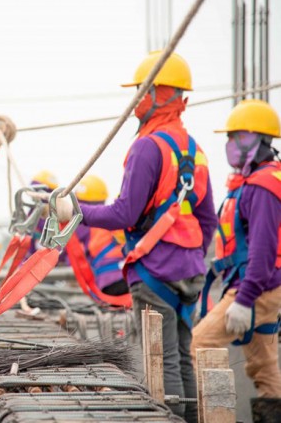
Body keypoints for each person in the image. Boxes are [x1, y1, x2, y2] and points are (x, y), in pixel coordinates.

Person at [55, 51, 217, 422]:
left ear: (159, 94)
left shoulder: (147, 147)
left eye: (140, 93)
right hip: (189, 273)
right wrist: (190, 257)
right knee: (183, 358)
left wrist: (75, 210)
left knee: (163, 363)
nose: (134, 103)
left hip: (154, 272)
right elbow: (206, 219)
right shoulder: (194, 151)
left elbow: (124, 214)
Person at [191, 99, 281, 420]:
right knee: (264, 365)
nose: (231, 145)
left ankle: (211, 416)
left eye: (238, 138)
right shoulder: (254, 183)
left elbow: (263, 252)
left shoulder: (263, 186)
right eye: (230, 139)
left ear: (261, 141)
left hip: (257, 287)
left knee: (200, 342)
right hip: (262, 286)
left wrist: (244, 300)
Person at [71, 175, 128, 297]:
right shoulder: (110, 218)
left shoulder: (82, 223)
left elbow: (67, 250)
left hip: (108, 282)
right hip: (130, 277)